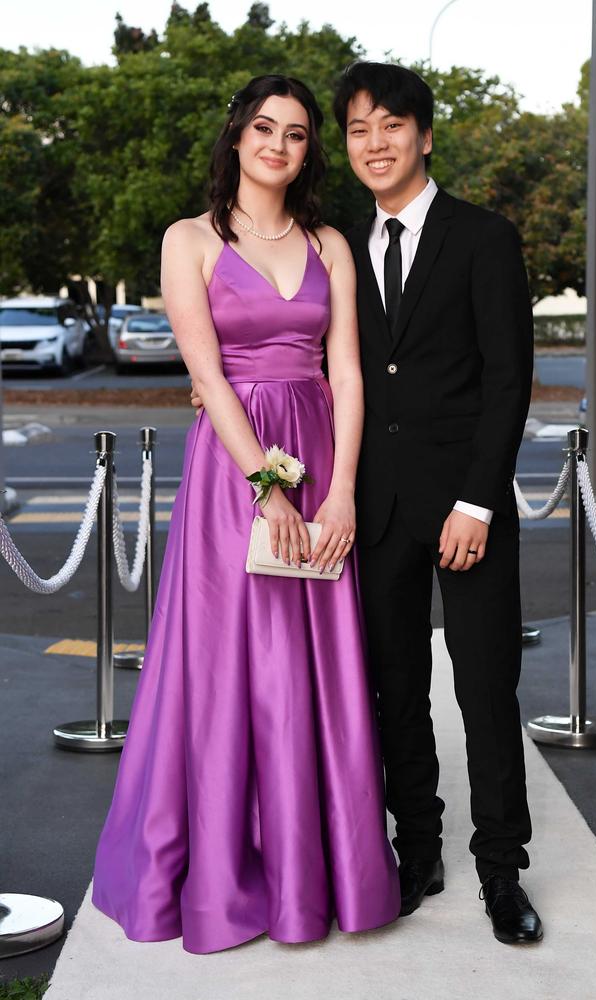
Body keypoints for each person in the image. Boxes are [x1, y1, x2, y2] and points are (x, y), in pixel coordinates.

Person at [91, 73, 400, 955]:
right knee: (233, 663)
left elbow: (344, 371)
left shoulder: (331, 242)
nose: (278, 144)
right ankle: (227, 875)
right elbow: (207, 374)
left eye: (298, 134)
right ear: (236, 136)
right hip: (237, 466)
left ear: (309, 152)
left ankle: (320, 871)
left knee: (319, 668)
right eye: (264, 128)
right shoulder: (188, 239)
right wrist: (270, 487)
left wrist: (336, 489)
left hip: (321, 448)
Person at [333, 61, 542, 945]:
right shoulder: (336, 239)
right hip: (374, 509)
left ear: (423, 134)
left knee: (487, 690)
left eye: (390, 125)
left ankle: (503, 872)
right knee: (393, 692)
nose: (374, 143)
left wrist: (478, 502)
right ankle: (416, 850)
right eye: (357, 129)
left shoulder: (483, 238)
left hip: (466, 510)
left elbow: (508, 381)